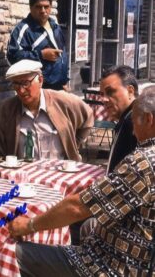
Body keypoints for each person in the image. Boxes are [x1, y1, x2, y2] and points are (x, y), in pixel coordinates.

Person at [9, 85, 155, 277]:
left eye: (135, 122)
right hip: (140, 256)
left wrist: (29, 225)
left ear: (149, 120)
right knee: (89, 226)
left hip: (112, 267)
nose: (134, 132)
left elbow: (79, 206)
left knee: (12, 255)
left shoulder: (142, 163)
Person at [0, 59, 93, 172]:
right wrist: (4, 170)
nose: (21, 90)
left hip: (60, 174)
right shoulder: (5, 110)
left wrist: (73, 143)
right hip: (22, 177)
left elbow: (88, 116)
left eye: (26, 83)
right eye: (16, 85)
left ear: (40, 80)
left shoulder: (63, 101)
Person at [7, 0, 69, 91]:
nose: (43, 10)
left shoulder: (55, 27)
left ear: (51, 7)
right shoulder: (23, 29)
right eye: (38, 7)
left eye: (46, 7)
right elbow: (12, 56)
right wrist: (41, 55)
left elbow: (63, 54)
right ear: (31, 8)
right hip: (37, 88)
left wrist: (64, 81)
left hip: (59, 87)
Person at [100, 65, 138, 174]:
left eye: (110, 92)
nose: (104, 99)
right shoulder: (126, 118)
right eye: (102, 94)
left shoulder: (135, 121)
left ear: (130, 91)